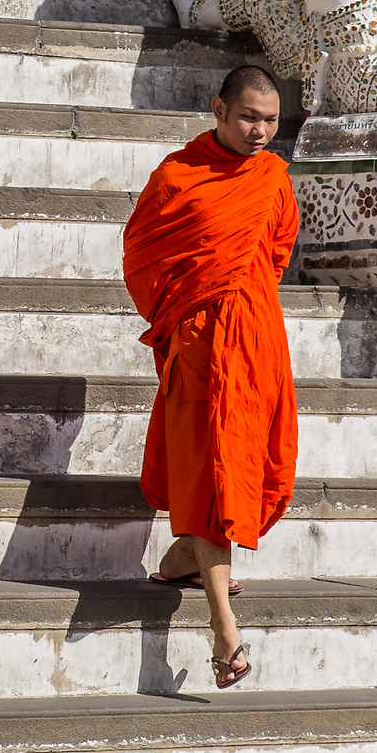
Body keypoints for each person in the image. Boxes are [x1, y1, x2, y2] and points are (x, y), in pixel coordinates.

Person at [120, 66, 298, 688]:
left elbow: (275, 253)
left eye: (271, 121)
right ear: (218, 109)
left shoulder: (273, 177)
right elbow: (141, 256)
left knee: (236, 464)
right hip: (198, 340)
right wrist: (183, 317)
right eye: (249, 117)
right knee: (209, 473)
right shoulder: (176, 177)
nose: (260, 132)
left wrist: (239, 309)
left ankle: (182, 561)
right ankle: (225, 631)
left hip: (255, 341)